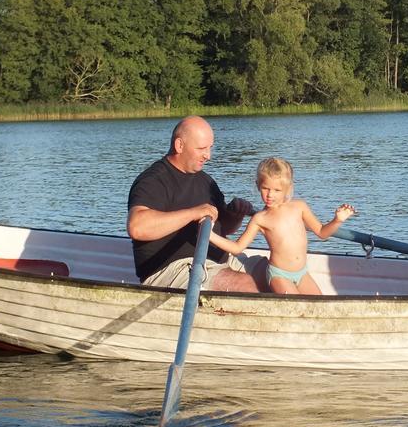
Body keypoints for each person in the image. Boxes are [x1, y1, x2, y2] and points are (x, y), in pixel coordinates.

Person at [127, 116, 259, 292]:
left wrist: (235, 216)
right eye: (202, 148)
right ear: (179, 145)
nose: (208, 156)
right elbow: (137, 227)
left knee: (268, 271)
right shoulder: (153, 180)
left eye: (210, 148)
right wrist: (193, 213)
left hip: (217, 261)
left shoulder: (205, 180)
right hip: (171, 270)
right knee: (243, 285)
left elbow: (223, 229)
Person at [207, 156, 357, 295]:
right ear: (258, 185)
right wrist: (210, 235)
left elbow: (322, 233)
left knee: (320, 305)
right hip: (279, 275)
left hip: (303, 273)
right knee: (295, 306)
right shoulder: (260, 218)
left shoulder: (299, 207)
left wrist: (337, 220)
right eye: (266, 188)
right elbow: (237, 247)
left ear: (288, 188)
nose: (270, 195)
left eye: (277, 190)